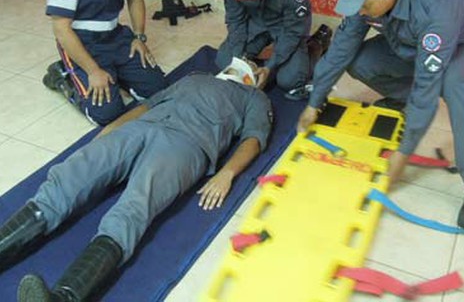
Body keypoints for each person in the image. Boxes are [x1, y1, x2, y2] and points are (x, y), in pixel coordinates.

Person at [0, 61, 272, 301]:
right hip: (142, 128)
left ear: (254, 77)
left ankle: (63, 298)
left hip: (186, 144)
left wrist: (227, 173)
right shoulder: (194, 77)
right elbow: (147, 105)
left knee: (133, 209)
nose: (242, 64)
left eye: (249, 65)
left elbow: (254, 139)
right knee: (71, 174)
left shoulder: (253, 98)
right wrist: (111, 131)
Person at [297, 0, 464, 230]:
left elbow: (426, 84)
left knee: (453, 84)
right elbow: (341, 48)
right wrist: (315, 101)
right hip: (414, 44)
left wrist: (403, 151)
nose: (359, 11)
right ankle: (401, 99)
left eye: (364, 6)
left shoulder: (437, 7)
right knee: (360, 60)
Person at [216, 0, 330, 98]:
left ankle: (317, 43)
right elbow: (236, 20)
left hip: (284, 28)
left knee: (289, 80)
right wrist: (237, 58)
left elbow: (293, 31)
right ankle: (258, 56)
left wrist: (270, 66)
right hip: (255, 25)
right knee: (224, 61)